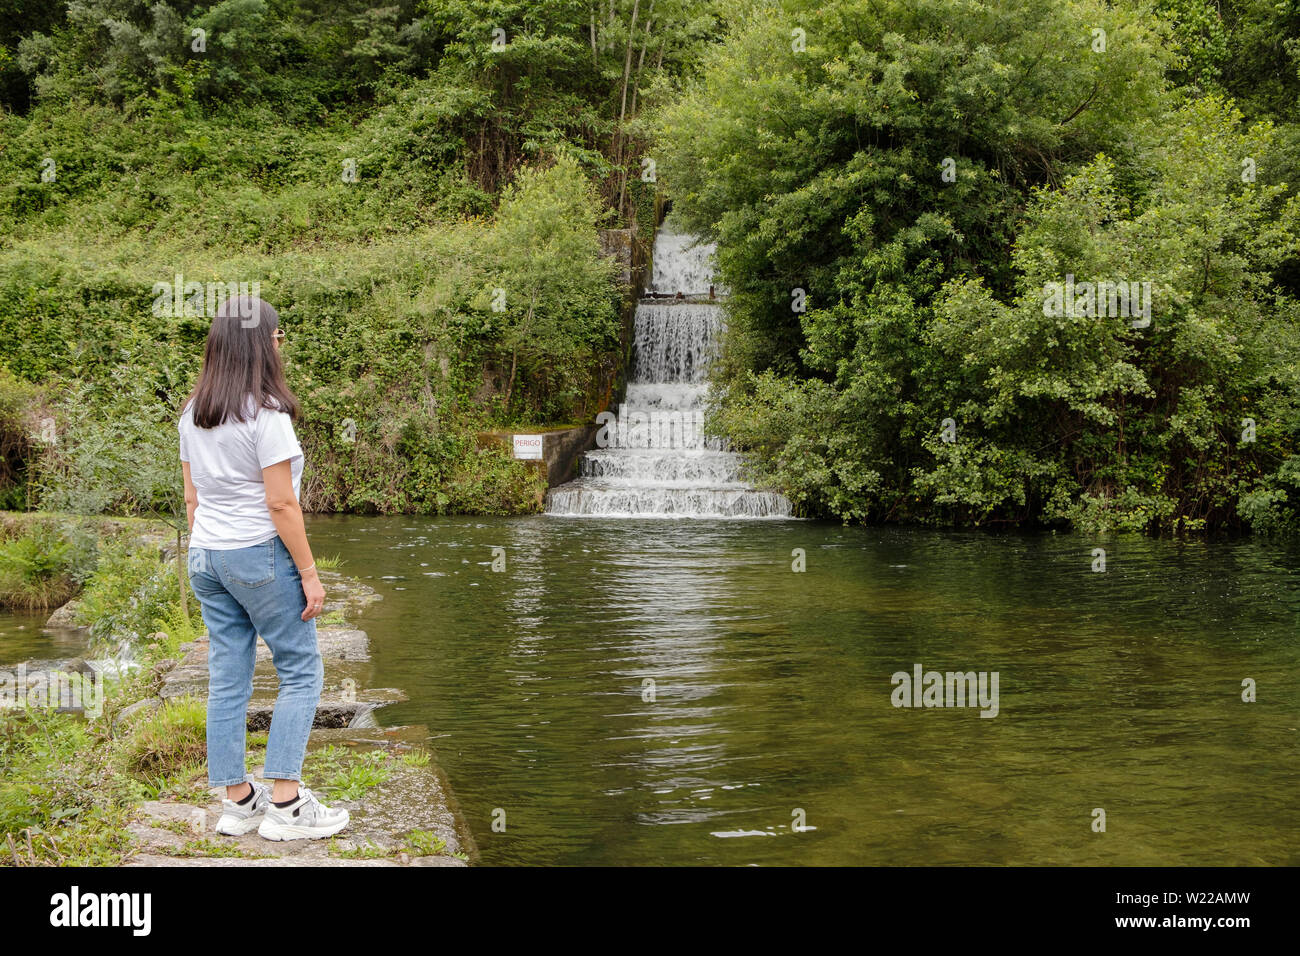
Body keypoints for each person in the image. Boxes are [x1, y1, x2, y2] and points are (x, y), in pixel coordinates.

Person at [179, 294, 349, 841]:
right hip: (258, 553)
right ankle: (287, 805)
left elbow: (192, 499)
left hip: (206, 556)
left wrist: (210, 548)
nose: (281, 344)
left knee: (228, 676)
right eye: (278, 336)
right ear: (260, 344)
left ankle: (237, 802)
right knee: (301, 670)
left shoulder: (193, 414)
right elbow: (281, 504)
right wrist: (308, 572)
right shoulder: (266, 416)